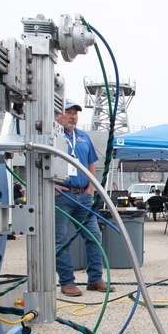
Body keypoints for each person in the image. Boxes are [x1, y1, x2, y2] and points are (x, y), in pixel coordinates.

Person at [54, 99, 105, 297]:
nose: (73, 116)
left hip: (83, 195)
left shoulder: (83, 137)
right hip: (61, 195)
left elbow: (91, 164)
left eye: (76, 113)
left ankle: (95, 278)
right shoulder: (51, 136)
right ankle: (66, 282)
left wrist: (90, 188)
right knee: (61, 240)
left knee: (94, 236)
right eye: (69, 112)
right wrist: (53, 186)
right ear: (58, 115)